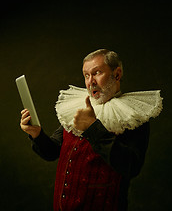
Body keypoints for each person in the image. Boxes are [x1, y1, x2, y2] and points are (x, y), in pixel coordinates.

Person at [20, 49, 163, 211]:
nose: (90, 82)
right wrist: (36, 134)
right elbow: (53, 152)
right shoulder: (78, 108)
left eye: (97, 73)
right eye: (86, 75)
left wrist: (93, 128)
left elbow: (131, 166)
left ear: (117, 74)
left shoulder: (133, 117)